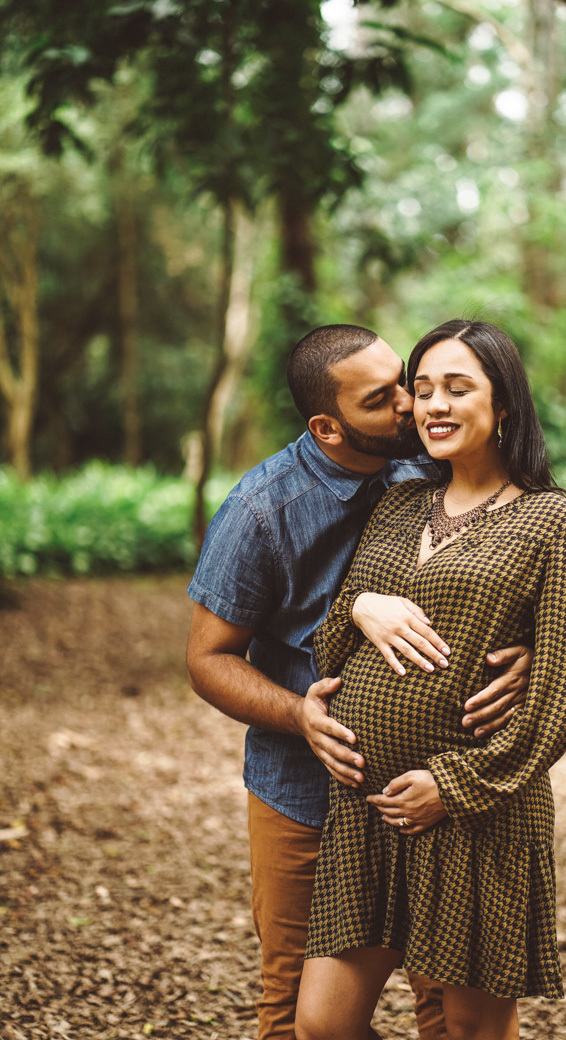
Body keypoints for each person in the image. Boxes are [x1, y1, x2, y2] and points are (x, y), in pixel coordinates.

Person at [186, 324, 534, 1040]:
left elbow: (509, 562)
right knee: (297, 1015)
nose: (413, 406)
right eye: (384, 399)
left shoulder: (424, 469)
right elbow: (207, 658)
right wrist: (299, 716)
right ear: (328, 426)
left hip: (430, 786)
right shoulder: (260, 512)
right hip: (304, 794)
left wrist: (527, 647)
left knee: (445, 1005)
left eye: (405, 381)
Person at [295, 320, 566, 1040]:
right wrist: (362, 605)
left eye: (457, 388)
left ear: (504, 406)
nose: (432, 404)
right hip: (368, 811)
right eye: (422, 388)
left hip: (477, 815)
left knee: (471, 1031)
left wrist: (455, 785)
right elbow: (330, 643)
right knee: (320, 1024)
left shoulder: (552, 521)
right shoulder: (399, 504)